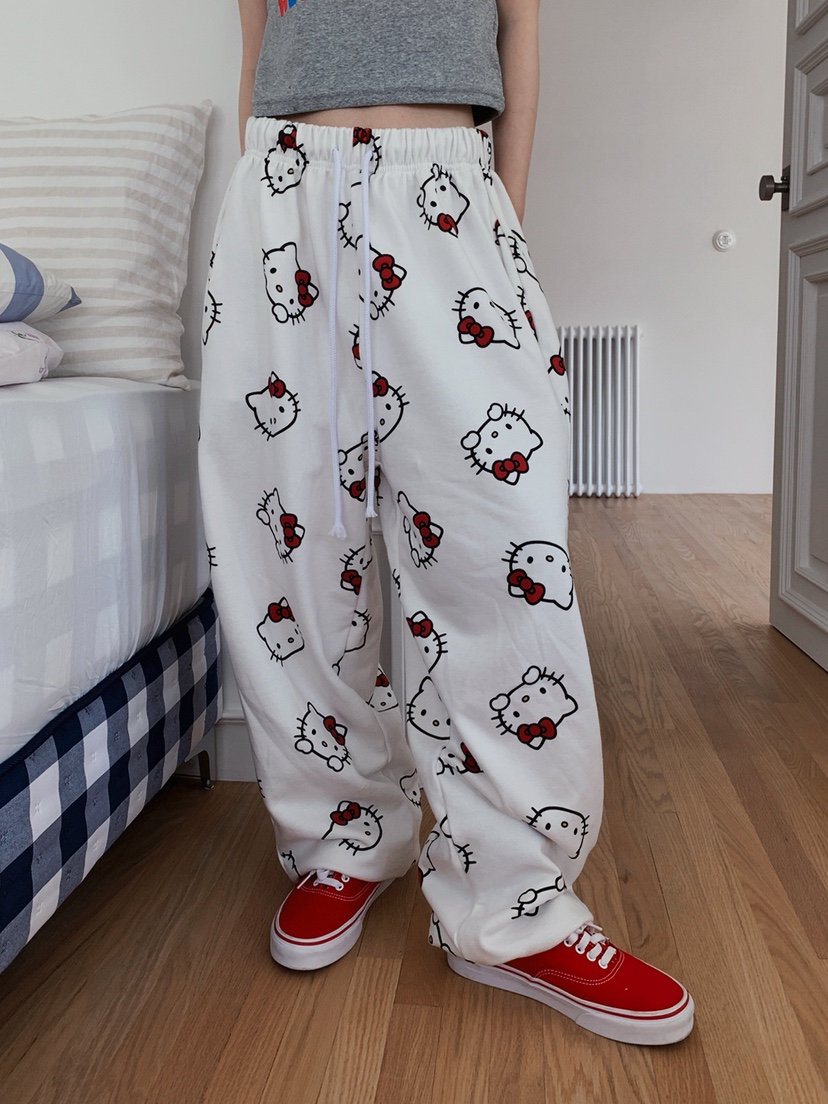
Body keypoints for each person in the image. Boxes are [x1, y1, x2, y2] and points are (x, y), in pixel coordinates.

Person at [198, 0, 694, 1047]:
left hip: (448, 187)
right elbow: (257, 42)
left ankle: (511, 903)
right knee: (289, 548)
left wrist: (500, 218)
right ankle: (344, 838)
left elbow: (520, 31)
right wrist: (263, 197)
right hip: (282, 189)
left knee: (495, 550)